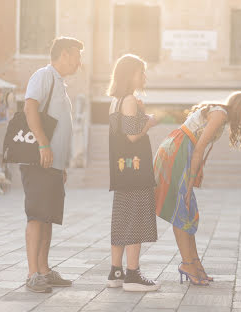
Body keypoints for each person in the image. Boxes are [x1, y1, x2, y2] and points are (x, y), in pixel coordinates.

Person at [153, 92, 241, 285]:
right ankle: (187, 264)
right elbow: (199, 148)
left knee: (188, 210)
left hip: (182, 150)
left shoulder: (221, 116)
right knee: (182, 209)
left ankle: (195, 264)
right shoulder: (220, 115)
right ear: (240, 108)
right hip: (177, 151)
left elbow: (198, 149)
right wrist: (191, 180)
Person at [22, 37, 83, 293]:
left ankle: (44, 269)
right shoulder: (44, 75)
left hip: (53, 164)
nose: (80, 61)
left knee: (48, 216)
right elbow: (29, 107)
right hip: (39, 160)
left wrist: (62, 163)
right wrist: (44, 144)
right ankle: (33, 273)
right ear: (65, 54)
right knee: (37, 215)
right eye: (77, 55)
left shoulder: (61, 83)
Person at [106, 54, 160, 292]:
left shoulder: (116, 101)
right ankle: (133, 274)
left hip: (122, 170)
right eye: (141, 72)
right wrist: (149, 122)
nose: (144, 76)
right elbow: (132, 136)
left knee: (121, 219)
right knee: (136, 219)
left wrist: (141, 113)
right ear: (130, 75)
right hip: (135, 170)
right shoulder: (128, 99)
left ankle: (116, 272)